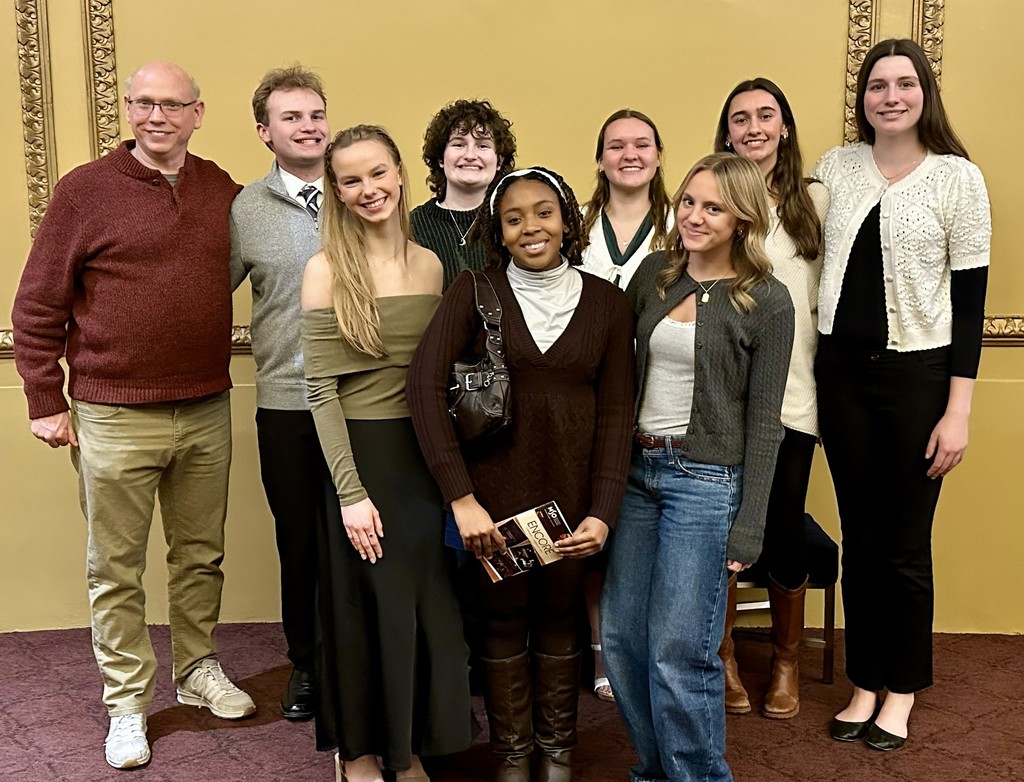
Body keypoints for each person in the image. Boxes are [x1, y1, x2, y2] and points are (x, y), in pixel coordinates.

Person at [11, 61, 254, 770]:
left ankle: (199, 668)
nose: (157, 116)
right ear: (127, 107)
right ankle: (126, 703)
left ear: (198, 112)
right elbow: (36, 305)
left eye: (172, 105)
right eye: (144, 103)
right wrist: (42, 398)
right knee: (115, 569)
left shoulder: (219, 190)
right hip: (112, 413)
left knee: (200, 556)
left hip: (207, 402)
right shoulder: (83, 192)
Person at [407, 167, 634, 782]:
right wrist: (461, 498)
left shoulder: (608, 304)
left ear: (567, 220)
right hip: (493, 502)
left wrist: (602, 513)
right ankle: (513, 758)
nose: (530, 226)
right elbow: (424, 390)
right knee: (502, 619)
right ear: (497, 233)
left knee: (561, 619)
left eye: (542, 212)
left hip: (571, 503)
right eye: (513, 218)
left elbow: (618, 416)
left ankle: (557, 755)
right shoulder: (471, 292)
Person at [812, 39, 990, 751]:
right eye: (877, 84)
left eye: (904, 83)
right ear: (863, 97)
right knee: (861, 538)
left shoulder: (958, 179)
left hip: (920, 379)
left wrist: (958, 411)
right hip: (842, 378)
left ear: (925, 94)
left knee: (905, 544)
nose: (891, 96)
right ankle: (864, 680)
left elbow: (971, 305)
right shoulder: (836, 168)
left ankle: (903, 689)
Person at [601, 153, 795, 782]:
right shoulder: (655, 275)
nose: (693, 216)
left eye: (712, 206)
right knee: (626, 643)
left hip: (706, 484)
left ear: (742, 217)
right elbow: (618, 374)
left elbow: (767, 419)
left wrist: (751, 525)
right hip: (637, 476)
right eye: (687, 201)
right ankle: (658, 771)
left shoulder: (767, 300)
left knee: (680, 651)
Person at [301, 124, 474, 782]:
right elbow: (321, 392)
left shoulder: (430, 263)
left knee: (424, 610)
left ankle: (408, 749)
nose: (367, 189)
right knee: (363, 611)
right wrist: (349, 494)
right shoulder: (324, 271)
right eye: (350, 180)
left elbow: (439, 377)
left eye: (378, 173)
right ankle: (361, 754)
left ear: (400, 174)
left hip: (424, 456)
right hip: (360, 459)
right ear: (337, 193)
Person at [712, 78, 829, 720]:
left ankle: (785, 663)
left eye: (766, 116)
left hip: (793, 398)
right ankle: (725, 656)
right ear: (726, 131)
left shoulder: (816, 201)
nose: (754, 127)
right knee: (720, 527)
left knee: (781, 526)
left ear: (784, 127)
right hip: (723, 400)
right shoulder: (712, 199)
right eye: (740, 118)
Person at [230, 65, 333, 721]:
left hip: (364, 404)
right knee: (299, 542)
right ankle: (308, 666)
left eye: (316, 114)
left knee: (368, 539)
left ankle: (365, 661)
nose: (308, 126)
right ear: (265, 131)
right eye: (291, 117)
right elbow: (202, 297)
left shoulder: (363, 192)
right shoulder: (244, 208)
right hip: (287, 406)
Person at [578, 108, 672, 703]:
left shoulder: (679, 223)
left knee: (647, 529)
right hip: (586, 395)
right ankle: (599, 648)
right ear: (601, 159)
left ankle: (650, 648)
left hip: (658, 396)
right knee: (594, 523)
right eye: (616, 145)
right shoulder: (575, 224)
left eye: (642, 144)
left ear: (660, 156)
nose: (629, 154)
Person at [411, 99, 516, 288]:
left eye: (483, 146)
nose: (470, 155)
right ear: (441, 158)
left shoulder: (513, 221)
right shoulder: (411, 226)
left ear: (499, 161)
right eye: (458, 144)